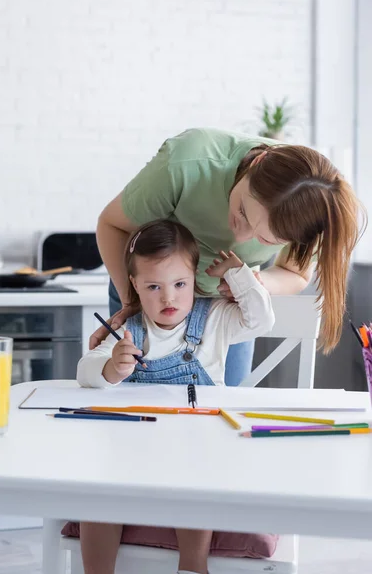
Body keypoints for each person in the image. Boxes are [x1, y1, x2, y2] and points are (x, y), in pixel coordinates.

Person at [77, 219, 275, 574]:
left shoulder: (215, 318)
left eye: (179, 284)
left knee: (195, 480)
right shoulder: (128, 331)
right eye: (153, 286)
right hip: (133, 453)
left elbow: (261, 321)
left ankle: (193, 564)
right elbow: (84, 370)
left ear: (194, 278)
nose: (168, 297)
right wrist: (110, 368)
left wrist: (238, 274)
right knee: (99, 492)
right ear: (135, 286)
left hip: (195, 449)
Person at [92, 128, 364, 385]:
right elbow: (112, 225)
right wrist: (132, 301)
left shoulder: (312, 209)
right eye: (243, 212)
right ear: (258, 162)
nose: (241, 237)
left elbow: (294, 274)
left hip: (223, 311)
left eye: (265, 240)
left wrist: (251, 283)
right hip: (147, 293)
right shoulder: (187, 162)